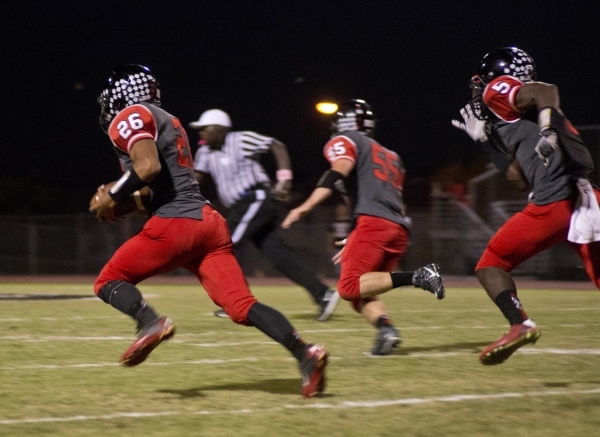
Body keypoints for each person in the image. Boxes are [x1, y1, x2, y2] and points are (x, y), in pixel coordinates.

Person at [89, 64, 328, 398]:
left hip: (176, 223)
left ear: (122, 94)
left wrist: (111, 195)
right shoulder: (168, 121)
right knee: (241, 305)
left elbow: (148, 167)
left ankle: (149, 322)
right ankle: (306, 353)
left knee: (107, 281)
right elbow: (153, 189)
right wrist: (121, 205)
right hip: (208, 224)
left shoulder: (130, 116)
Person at [451, 46, 600, 365]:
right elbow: (518, 178)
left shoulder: (498, 92)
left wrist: (547, 129)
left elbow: (545, 90)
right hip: (586, 199)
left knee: (491, 263)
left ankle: (520, 323)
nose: (479, 91)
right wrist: (485, 142)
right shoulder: (519, 115)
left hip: (555, 202)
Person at [281, 99, 446, 355]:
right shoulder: (392, 156)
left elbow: (338, 171)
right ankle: (386, 331)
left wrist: (305, 206)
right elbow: (395, 202)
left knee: (347, 288)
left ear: (345, 122)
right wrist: (357, 236)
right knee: (360, 293)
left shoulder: (346, 141)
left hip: (374, 223)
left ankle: (420, 277)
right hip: (396, 228)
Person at [189, 109, 339, 321]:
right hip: (244, 205)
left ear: (220, 129)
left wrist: (284, 179)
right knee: (279, 256)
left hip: (256, 198)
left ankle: (236, 300)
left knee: (227, 243)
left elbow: (277, 145)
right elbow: (197, 177)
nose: (201, 133)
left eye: (205, 128)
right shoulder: (205, 152)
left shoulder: (240, 139)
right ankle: (322, 294)